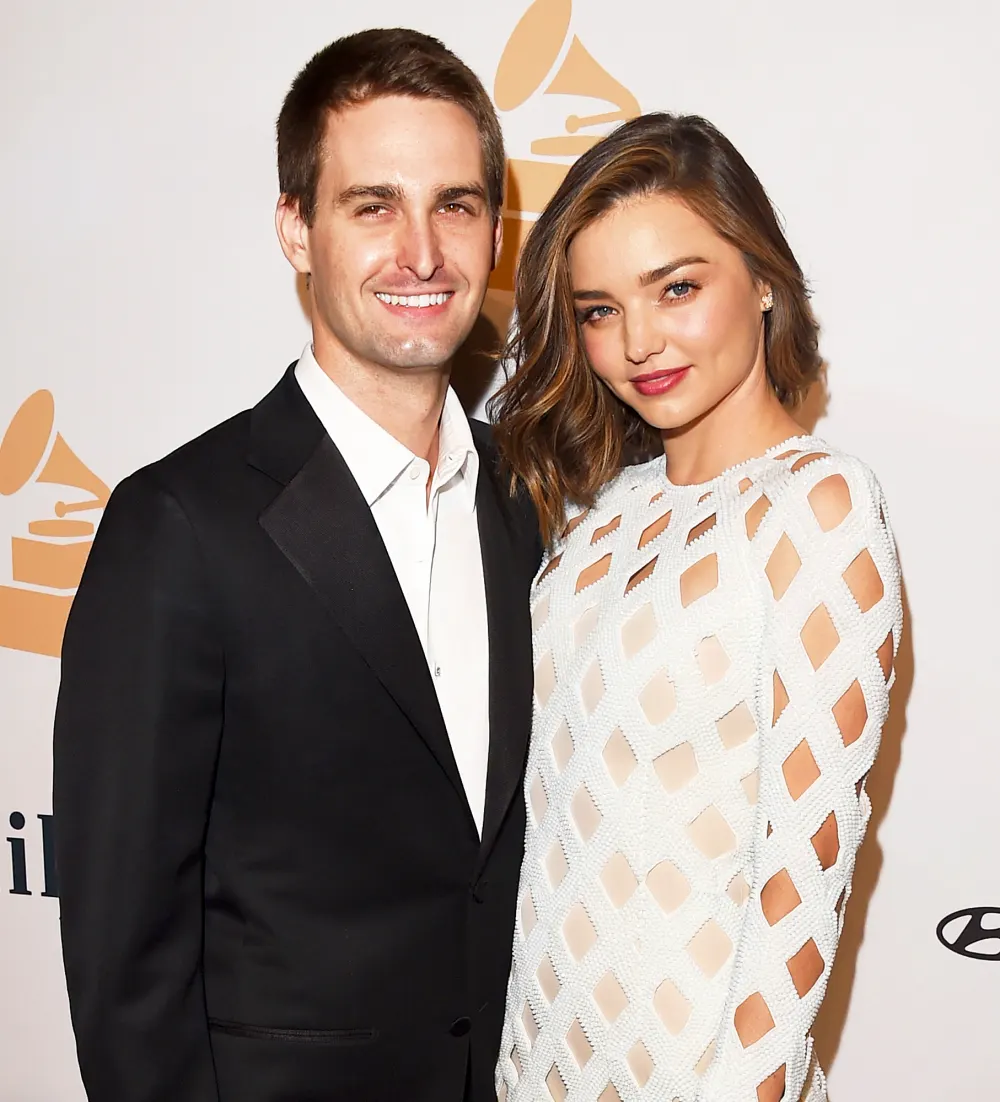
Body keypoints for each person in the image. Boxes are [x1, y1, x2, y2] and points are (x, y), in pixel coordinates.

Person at [53, 28, 540, 1102]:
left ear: (493, 231)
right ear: (296, 230)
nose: (421, 252)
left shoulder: (524, 503)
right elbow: (125, 960)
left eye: (454, 205)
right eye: (372, 206)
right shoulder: (179, 524)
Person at [490, 113, 902, 1102]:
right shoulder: (596, 516)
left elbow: (801, 871)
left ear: (762, 279)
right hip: (534, 1064)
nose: (638, 341)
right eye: (597, 310)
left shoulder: (817, 507)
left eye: (677, 287)